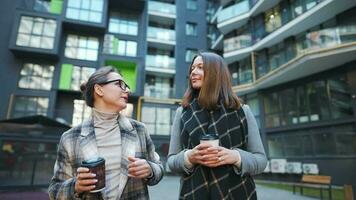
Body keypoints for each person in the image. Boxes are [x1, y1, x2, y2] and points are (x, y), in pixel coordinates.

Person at [48, 66, 163, 200]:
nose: (128, 90)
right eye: (119, 84)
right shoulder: (69, 138)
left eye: (126, 86)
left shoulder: (139, 130)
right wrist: (76, 186)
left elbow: (159, 168)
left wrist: (150, 170)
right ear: (99, 89)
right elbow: (54, 191)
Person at [167, 52, 267, 199]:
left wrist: (235, 157)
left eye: (200, 67)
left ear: (216, 73)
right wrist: (189, 157)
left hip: (239, 194)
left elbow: (261, 161)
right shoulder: (182, 113)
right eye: (192, 68)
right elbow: (171, 161)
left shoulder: (242, 111)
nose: (193, 72)